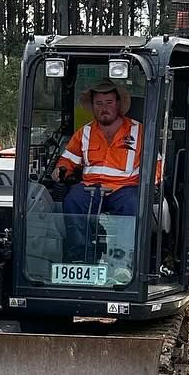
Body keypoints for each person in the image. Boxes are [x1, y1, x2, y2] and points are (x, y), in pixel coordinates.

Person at [54, 77, 142, 261]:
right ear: (93, 107)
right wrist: (61, 170)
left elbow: (156, 164)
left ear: (118, 104)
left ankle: (123, 259)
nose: (104, 108)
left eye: (109, 102)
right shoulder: (84, 132)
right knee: (72, 200)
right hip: (91, 188)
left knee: (133, 205)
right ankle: (81, 256)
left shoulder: (138, 131)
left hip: (124, 189)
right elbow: (68, 160)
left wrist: (152, 184)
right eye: (99, 103)